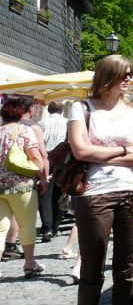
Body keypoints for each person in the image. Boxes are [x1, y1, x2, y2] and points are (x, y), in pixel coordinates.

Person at [67, 55, 133, 305]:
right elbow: (80, 151)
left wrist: (104, 153)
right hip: (94, 194)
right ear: (108, 76)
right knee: (91, 271)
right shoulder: (82, 108)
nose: (128, 79)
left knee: (126, 270)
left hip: (132, 193)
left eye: (130, 73)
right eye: (123, 74)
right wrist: (122, 152)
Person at [0, 98, 48, 278]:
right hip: (22, 186)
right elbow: (36, 158)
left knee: (0, 228)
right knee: (26, 224)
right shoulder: (24, 130)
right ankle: (29, 263)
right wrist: (43, 178)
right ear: (21, 114)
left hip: (0, 187)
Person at [36, 100, 67, 240]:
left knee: (45, 195)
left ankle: (47, 227)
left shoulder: (41, 123)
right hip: (62, 161)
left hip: (46, 160)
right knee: (59, 195)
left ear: (49, 110)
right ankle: (56, 226)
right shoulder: (67, 122)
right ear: (61, 110)